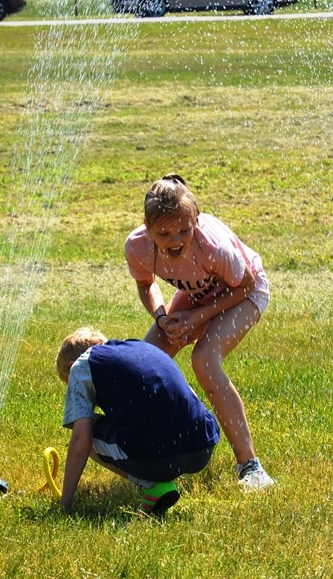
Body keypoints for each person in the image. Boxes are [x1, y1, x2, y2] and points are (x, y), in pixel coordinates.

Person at [124, 174, 275, 489]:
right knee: (145, 362)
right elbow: (145, 285)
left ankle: (251, 467)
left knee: (205, 359)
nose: (175, 240)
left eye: (184, 230)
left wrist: (197, 317)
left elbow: (245, 283)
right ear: (147, 227)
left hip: (245, 292)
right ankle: (147, 456)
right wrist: (163, 317)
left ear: (196, 219)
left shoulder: (213, 246)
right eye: (163, 233)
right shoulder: (138, 247)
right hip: (199, 296)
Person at [55, 328, 220, 515]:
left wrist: (65, 504)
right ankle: (161, 474)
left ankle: (152, 485)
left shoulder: (81, 366)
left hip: (159, 460)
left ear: (71, 365)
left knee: (88, 426)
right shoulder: (139, 347)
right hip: (202, 446)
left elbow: (81, 440)